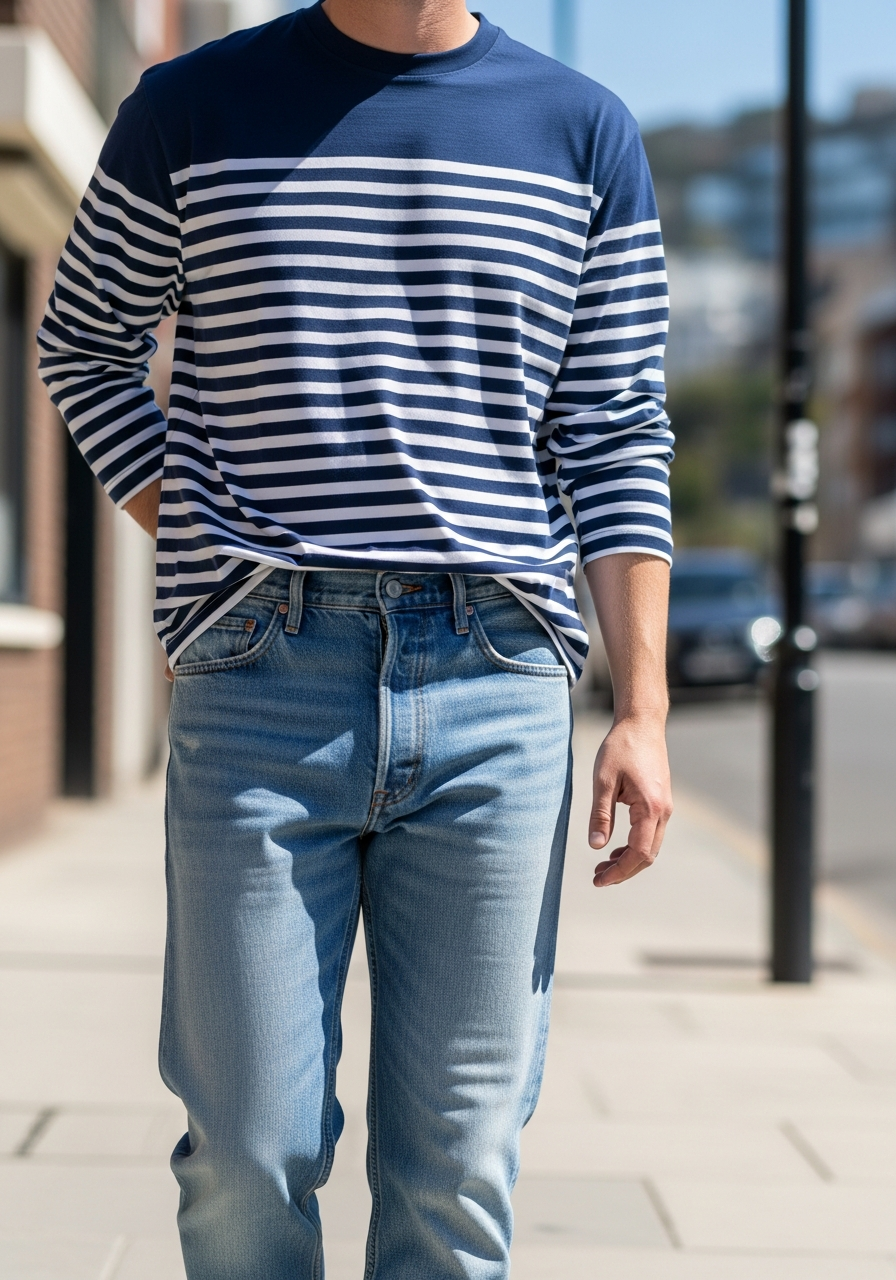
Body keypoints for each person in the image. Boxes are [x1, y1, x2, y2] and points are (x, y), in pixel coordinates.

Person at [38, 1, 674, 1275]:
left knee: (458, 1161)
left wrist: (643, 709)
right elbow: (83, 343)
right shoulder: (191, 108)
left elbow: (612, 429)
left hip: (495, 676)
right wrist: (201, 537)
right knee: (247, 1147)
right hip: (261, 675)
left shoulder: (581, 133)